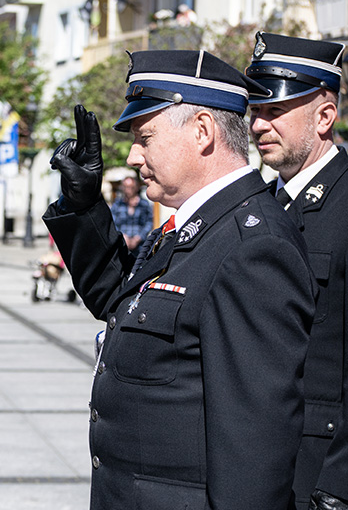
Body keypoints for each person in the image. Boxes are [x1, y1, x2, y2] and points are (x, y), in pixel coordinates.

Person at [44, 50, 317, 508]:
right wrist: (84, 204)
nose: (133, 156)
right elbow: (119, 301)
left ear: (203, 131)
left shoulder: (252, 247)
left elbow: (254, 451)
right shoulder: (192, 226)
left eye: (145, 137)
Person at [245, 31, 348, 510]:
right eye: (255, 111)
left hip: (320, 474)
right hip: (258, 469)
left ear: (325, 116)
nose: (258, 125)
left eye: (275, 112)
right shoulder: (259, 207)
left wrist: (338, 486)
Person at [109, 175, 153, 256]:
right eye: (125, 187)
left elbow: (149, 223)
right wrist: (123, 236)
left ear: (136, 188)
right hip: (122, 245)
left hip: (140, 246)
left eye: (131, 187)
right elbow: (113, 223)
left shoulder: (144, 204)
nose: (128, 190)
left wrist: (138, 238)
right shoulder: (117, 205)